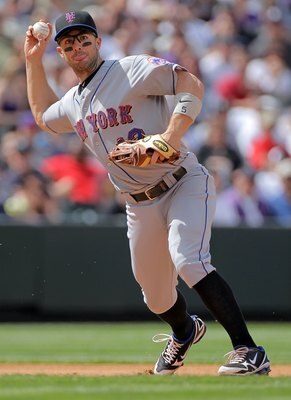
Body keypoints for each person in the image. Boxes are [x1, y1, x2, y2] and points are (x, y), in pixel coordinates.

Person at [24, 10, 270, 376]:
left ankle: (248, 350)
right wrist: (31, 60)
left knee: (189, 259)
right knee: (155, 295)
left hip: (182, 180)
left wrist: (170, 137)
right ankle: (185, 330)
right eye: (68, 42)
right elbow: (43, 114)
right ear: (60, 52)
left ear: (98, 42)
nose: (77, 46)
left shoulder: (130, 69)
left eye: (84, 38)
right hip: (138, 203)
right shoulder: (75, 102)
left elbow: (191, 84)